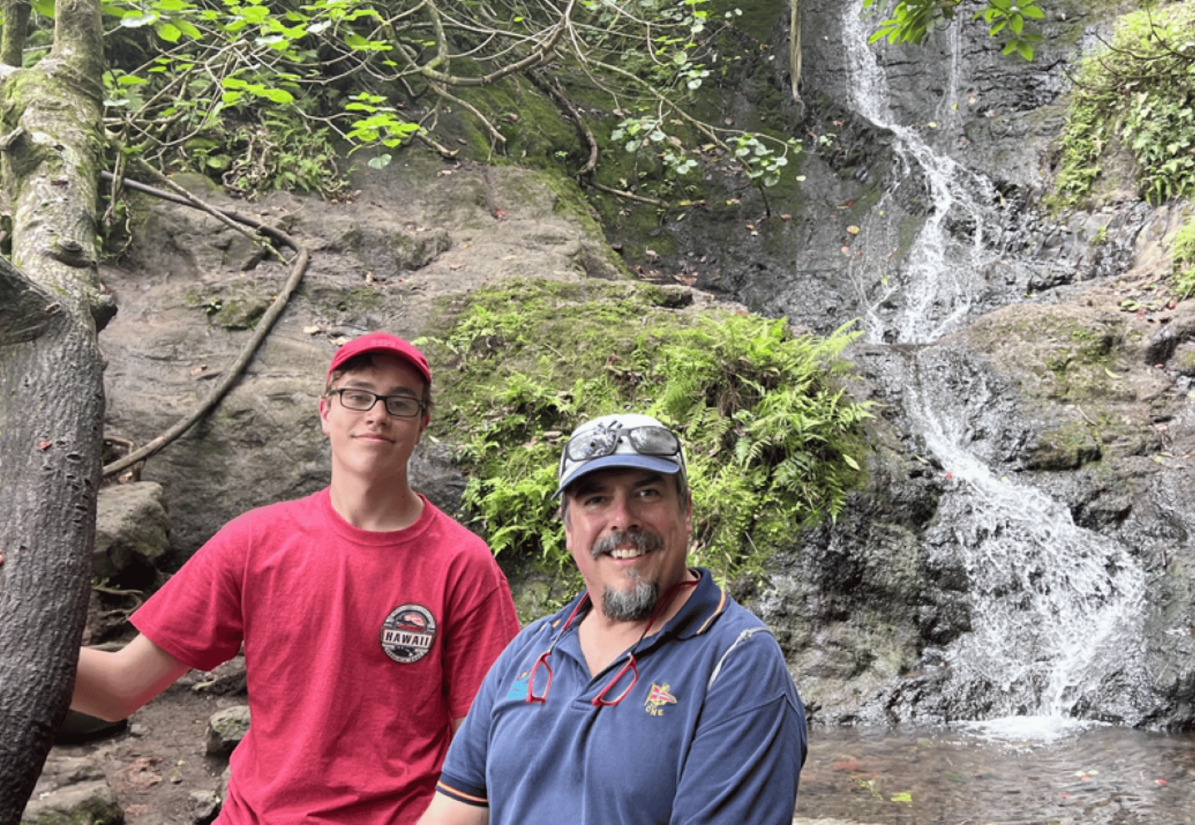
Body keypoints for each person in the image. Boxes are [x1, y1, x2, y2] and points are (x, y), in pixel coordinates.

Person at [71, 332, 521, 824]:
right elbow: (119, 689)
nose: (377, 413)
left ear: (423, 424)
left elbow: (483, 760)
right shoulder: (254, 542)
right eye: (358, 394)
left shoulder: (463, 564)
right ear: (325, 412)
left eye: (401, 401)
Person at [418, 413, 807, 825]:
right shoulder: (530, 652)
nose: (622, 519)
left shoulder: (737, 662)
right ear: (568, 528)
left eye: (646, 493)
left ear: (686, 511)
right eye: (596, 500)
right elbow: (454, 812)